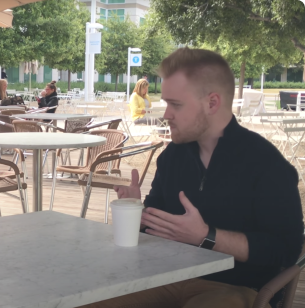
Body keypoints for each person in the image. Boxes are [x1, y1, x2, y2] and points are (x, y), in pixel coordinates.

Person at [83, 48, 304, 308]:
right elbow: (153, 228)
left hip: (235, 288)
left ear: (212, 103)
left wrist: (206, 236)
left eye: (175, 104)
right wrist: (138, 210)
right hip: (161, 277)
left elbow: (286, 249)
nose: (166, 114)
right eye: (166, 103)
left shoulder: (266, 164)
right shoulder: (172, 156)